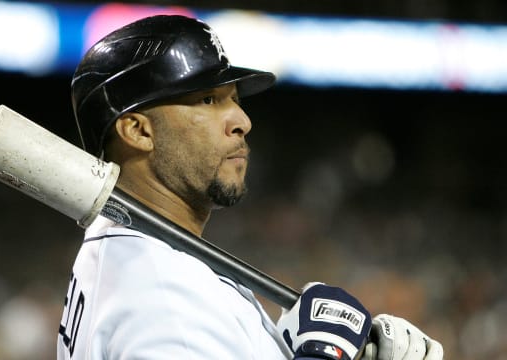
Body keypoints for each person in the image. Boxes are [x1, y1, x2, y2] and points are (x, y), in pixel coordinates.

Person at [57, 15, 443, 360]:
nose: (242, 120)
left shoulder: (139, 255)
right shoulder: (165, 296)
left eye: (234, 100)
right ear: (138, 130)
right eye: (207, 99)